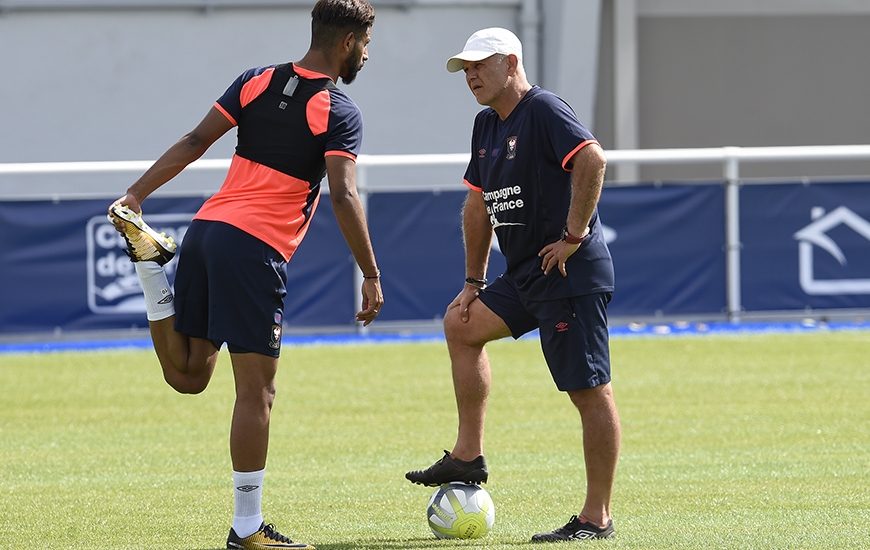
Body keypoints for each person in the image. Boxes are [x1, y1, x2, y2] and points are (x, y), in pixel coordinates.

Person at [107, 1, 381, 549]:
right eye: (367, 45)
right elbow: (345, 194)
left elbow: (193, 141)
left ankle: (151, 269)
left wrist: (136, 195)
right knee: (257, 392)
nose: (368, 55)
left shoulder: (256, 79)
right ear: (348, 42)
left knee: (188, 376)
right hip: (254, 250)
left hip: (207, 230)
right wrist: (370, 273)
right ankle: (247, 529)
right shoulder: (338, 108)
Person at [404, 28, 620, 542]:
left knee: (589, 393)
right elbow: (478, 205)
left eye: (480, 64)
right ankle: (467, 456)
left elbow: (593, 158)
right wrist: (473, 282)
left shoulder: (543, 109)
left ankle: (597, 518)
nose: (471, 75)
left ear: (511, 62)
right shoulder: (486, 124)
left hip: (567, 274)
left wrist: (574, 235)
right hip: (525, 274)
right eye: (465, 68)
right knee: (461, 325)